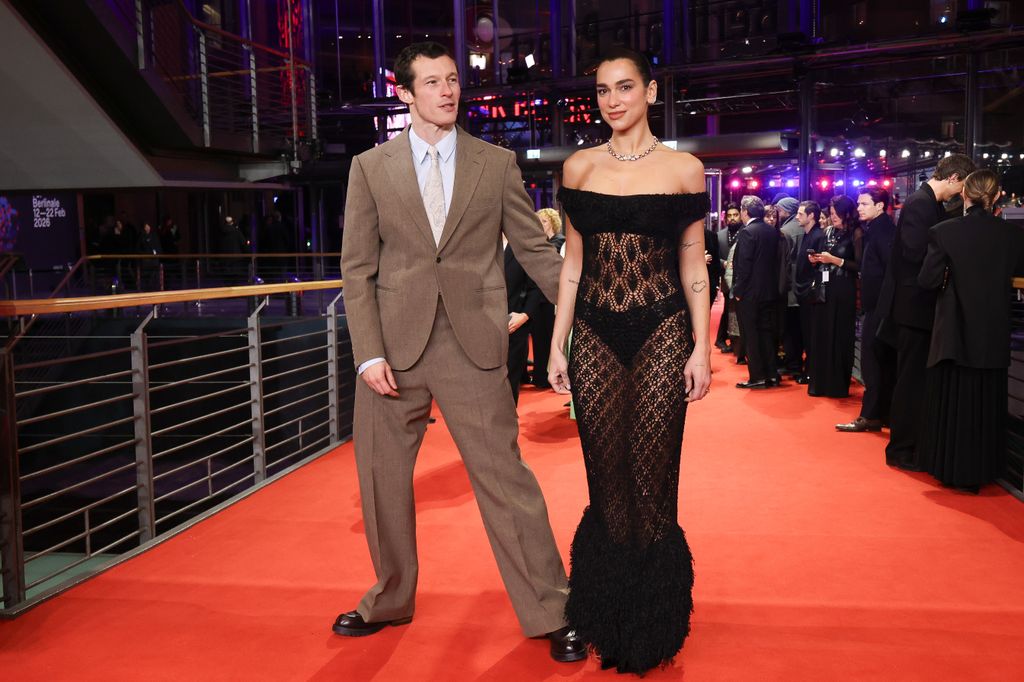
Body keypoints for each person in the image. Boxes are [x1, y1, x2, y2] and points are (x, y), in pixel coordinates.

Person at [336, 42, 583, 663]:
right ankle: (390, 598)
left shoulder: (495, 163)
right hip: (392, 351)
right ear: (404, 91)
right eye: (434, 82)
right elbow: (357, 269)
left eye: (453, 80)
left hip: (475, 345)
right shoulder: (370, 168)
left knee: (506, 481)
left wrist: (590, 318)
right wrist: (367, 354)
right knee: (382, 482)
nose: (448, 91)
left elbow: (533, 250)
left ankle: (551, 609)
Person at [548, 47, 711, 674]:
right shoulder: (579, 168)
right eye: (602, 92)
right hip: (593, 333)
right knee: (605, 480)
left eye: (624, 88)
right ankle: (607, 612)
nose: (612, 100)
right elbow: (572, 265)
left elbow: (694, 262)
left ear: (649, 92)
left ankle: (653, 622)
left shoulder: (684, 169)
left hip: (663, 330)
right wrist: (561, 342)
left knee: (651, 480)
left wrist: (701, 347)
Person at [917, 170, 1024, 491]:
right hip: (992, 329)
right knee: (987, 401)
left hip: (954, 330)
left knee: (954, 400)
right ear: (998, 196)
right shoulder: (1014, 235)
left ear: (964, 194)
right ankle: (985, 469)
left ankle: (950, 467)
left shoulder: (944, 231)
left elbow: (928, 280)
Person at [875, 153, 976, 470]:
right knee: (910, 381)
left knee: (913, 379)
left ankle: (909, 447)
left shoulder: (926, 203)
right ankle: (903, 450)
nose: (961, 196)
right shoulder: (921, 203)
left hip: (914, 306)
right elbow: (916, 252)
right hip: (913, 307)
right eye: (962, 188)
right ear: (954, 179)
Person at [836, 188, 896, 432]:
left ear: (880, 206)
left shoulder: (882, 232)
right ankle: (879, 415)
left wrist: (882, 308)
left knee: (874, 365)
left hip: (879, 310)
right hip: (877, 308)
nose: (859, 208)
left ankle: (871, 416)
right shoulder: (877, 230)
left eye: (864, 203)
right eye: (859, 203)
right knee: (878, 364)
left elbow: (890, 272)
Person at [806, 195, 862, 397]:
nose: (834, 217)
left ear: (847, 213)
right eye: (831, 213)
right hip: (824, 288)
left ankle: (837, 385)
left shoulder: (856, 233)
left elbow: (859, 265)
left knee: (839, 336)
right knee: (821, 334)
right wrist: (817, 259)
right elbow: (825, 258)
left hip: (844, 289)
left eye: (837, 213)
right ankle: (819, 383)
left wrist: (836, 260)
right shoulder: (828, 231)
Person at [733, 194, 781, 389]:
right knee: (767, 334)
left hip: (750, 293)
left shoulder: (747, 232)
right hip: (769, 291)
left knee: (751, 335)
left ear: (745, 212)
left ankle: (757, 376)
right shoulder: (772, 231)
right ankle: (771, 374)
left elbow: (744, 265)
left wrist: (738, 290)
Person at [524, 208, 564, 388]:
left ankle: (546, 375)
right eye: (538, 221)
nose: (540, 224)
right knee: (539, 338)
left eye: (544, 221)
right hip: (539, 298)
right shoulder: (544, 243)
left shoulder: (558, 242)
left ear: (553, 223)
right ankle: (540, 373)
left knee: (548, 338)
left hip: (550, 300)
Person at [505, 239, 543, 404]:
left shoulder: (521, 246)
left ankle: (506, 426)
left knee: (510, 383)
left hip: (515, 328)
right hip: (483, 329)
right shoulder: (479, 245)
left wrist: (525, 315)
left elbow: (536, 286)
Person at [792, 201, 824, 384]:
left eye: (801, 214)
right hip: (804, 291)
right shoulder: (807, 235)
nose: (797, 217)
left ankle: (811, 371)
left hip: (811, 293)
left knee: (811, 334)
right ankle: (809, 370)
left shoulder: (817, 235)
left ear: (811, 216)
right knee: (806, 333)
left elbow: (817, 266)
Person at [777, 197, 804, 377]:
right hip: (802, 286)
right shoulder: (802, 228)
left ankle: (792, 363)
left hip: (791, 287)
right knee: (799, 327)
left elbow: (785, 262)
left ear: (786, 211)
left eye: (779, 210)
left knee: (789, 328)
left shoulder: (786, 231)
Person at [714, 203, 742, 353]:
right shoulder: (720, 235)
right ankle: (724, 339)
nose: (732, 218)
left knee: (736, 310)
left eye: (735, 215)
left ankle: (730, 340)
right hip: (725, 278)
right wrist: (724, 263)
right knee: (728, 308)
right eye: (729, 215)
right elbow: (714, 256)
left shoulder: (746, 232)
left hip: (742, 277)